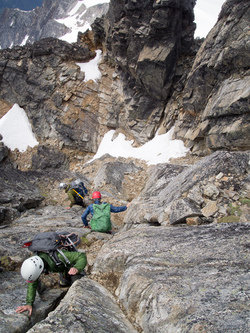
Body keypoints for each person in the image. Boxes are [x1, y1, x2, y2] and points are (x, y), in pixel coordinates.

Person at [16, 250, 87, 315]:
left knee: (78, 286)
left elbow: (82, 256)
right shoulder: (36, 264)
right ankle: (65, 276)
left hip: (72, 265)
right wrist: (29, 303)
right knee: (64, 283)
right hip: (61, 267)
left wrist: (77, 268)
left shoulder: (59, 256)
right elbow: (32, 283)